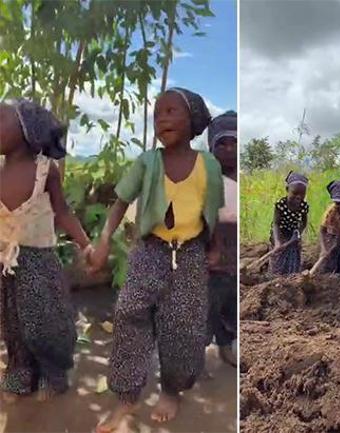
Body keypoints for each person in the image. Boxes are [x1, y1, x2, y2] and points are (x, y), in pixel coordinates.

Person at [90, 87, 224, 431]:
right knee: (129, 312)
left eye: (171, 111)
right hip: (150, 250)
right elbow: (120, 202)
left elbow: (214, 210)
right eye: (157, 112)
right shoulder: (147, 162)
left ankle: (171, 390)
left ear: (192, 119)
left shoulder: (208, 164)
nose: (162, 118)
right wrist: (104, 239)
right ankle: (127, 396)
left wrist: (215, 247)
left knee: (182, 327)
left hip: (191, 253)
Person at [0, 100, 87, 402]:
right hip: (5, 265)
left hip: (38, 261)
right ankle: (20, 371)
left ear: (28, 131)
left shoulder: (45, 171)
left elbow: (63, 213)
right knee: (13, 323)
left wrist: (85, 244)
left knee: (45, 323)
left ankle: (53, 371)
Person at [207, 111, 238, 367]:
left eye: (235, 143)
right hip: (207, 260)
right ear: (211, 146)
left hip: (233, 260)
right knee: (204, 312)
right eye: (222, 143)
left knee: (231, 309)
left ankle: (226, 346)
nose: (229, 149)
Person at [269, 171, 309, 275]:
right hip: (280, 232)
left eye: (302, 194)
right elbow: (276, 224)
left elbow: (304, 222)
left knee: (293, 254)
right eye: (295, 193)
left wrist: (298, 233)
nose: (298, 197)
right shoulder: (280, 205)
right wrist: (277, 242)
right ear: (287, 190)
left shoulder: (304, 206)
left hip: (293, 232)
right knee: (278, 255)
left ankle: (292, 276)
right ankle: (275, 277)